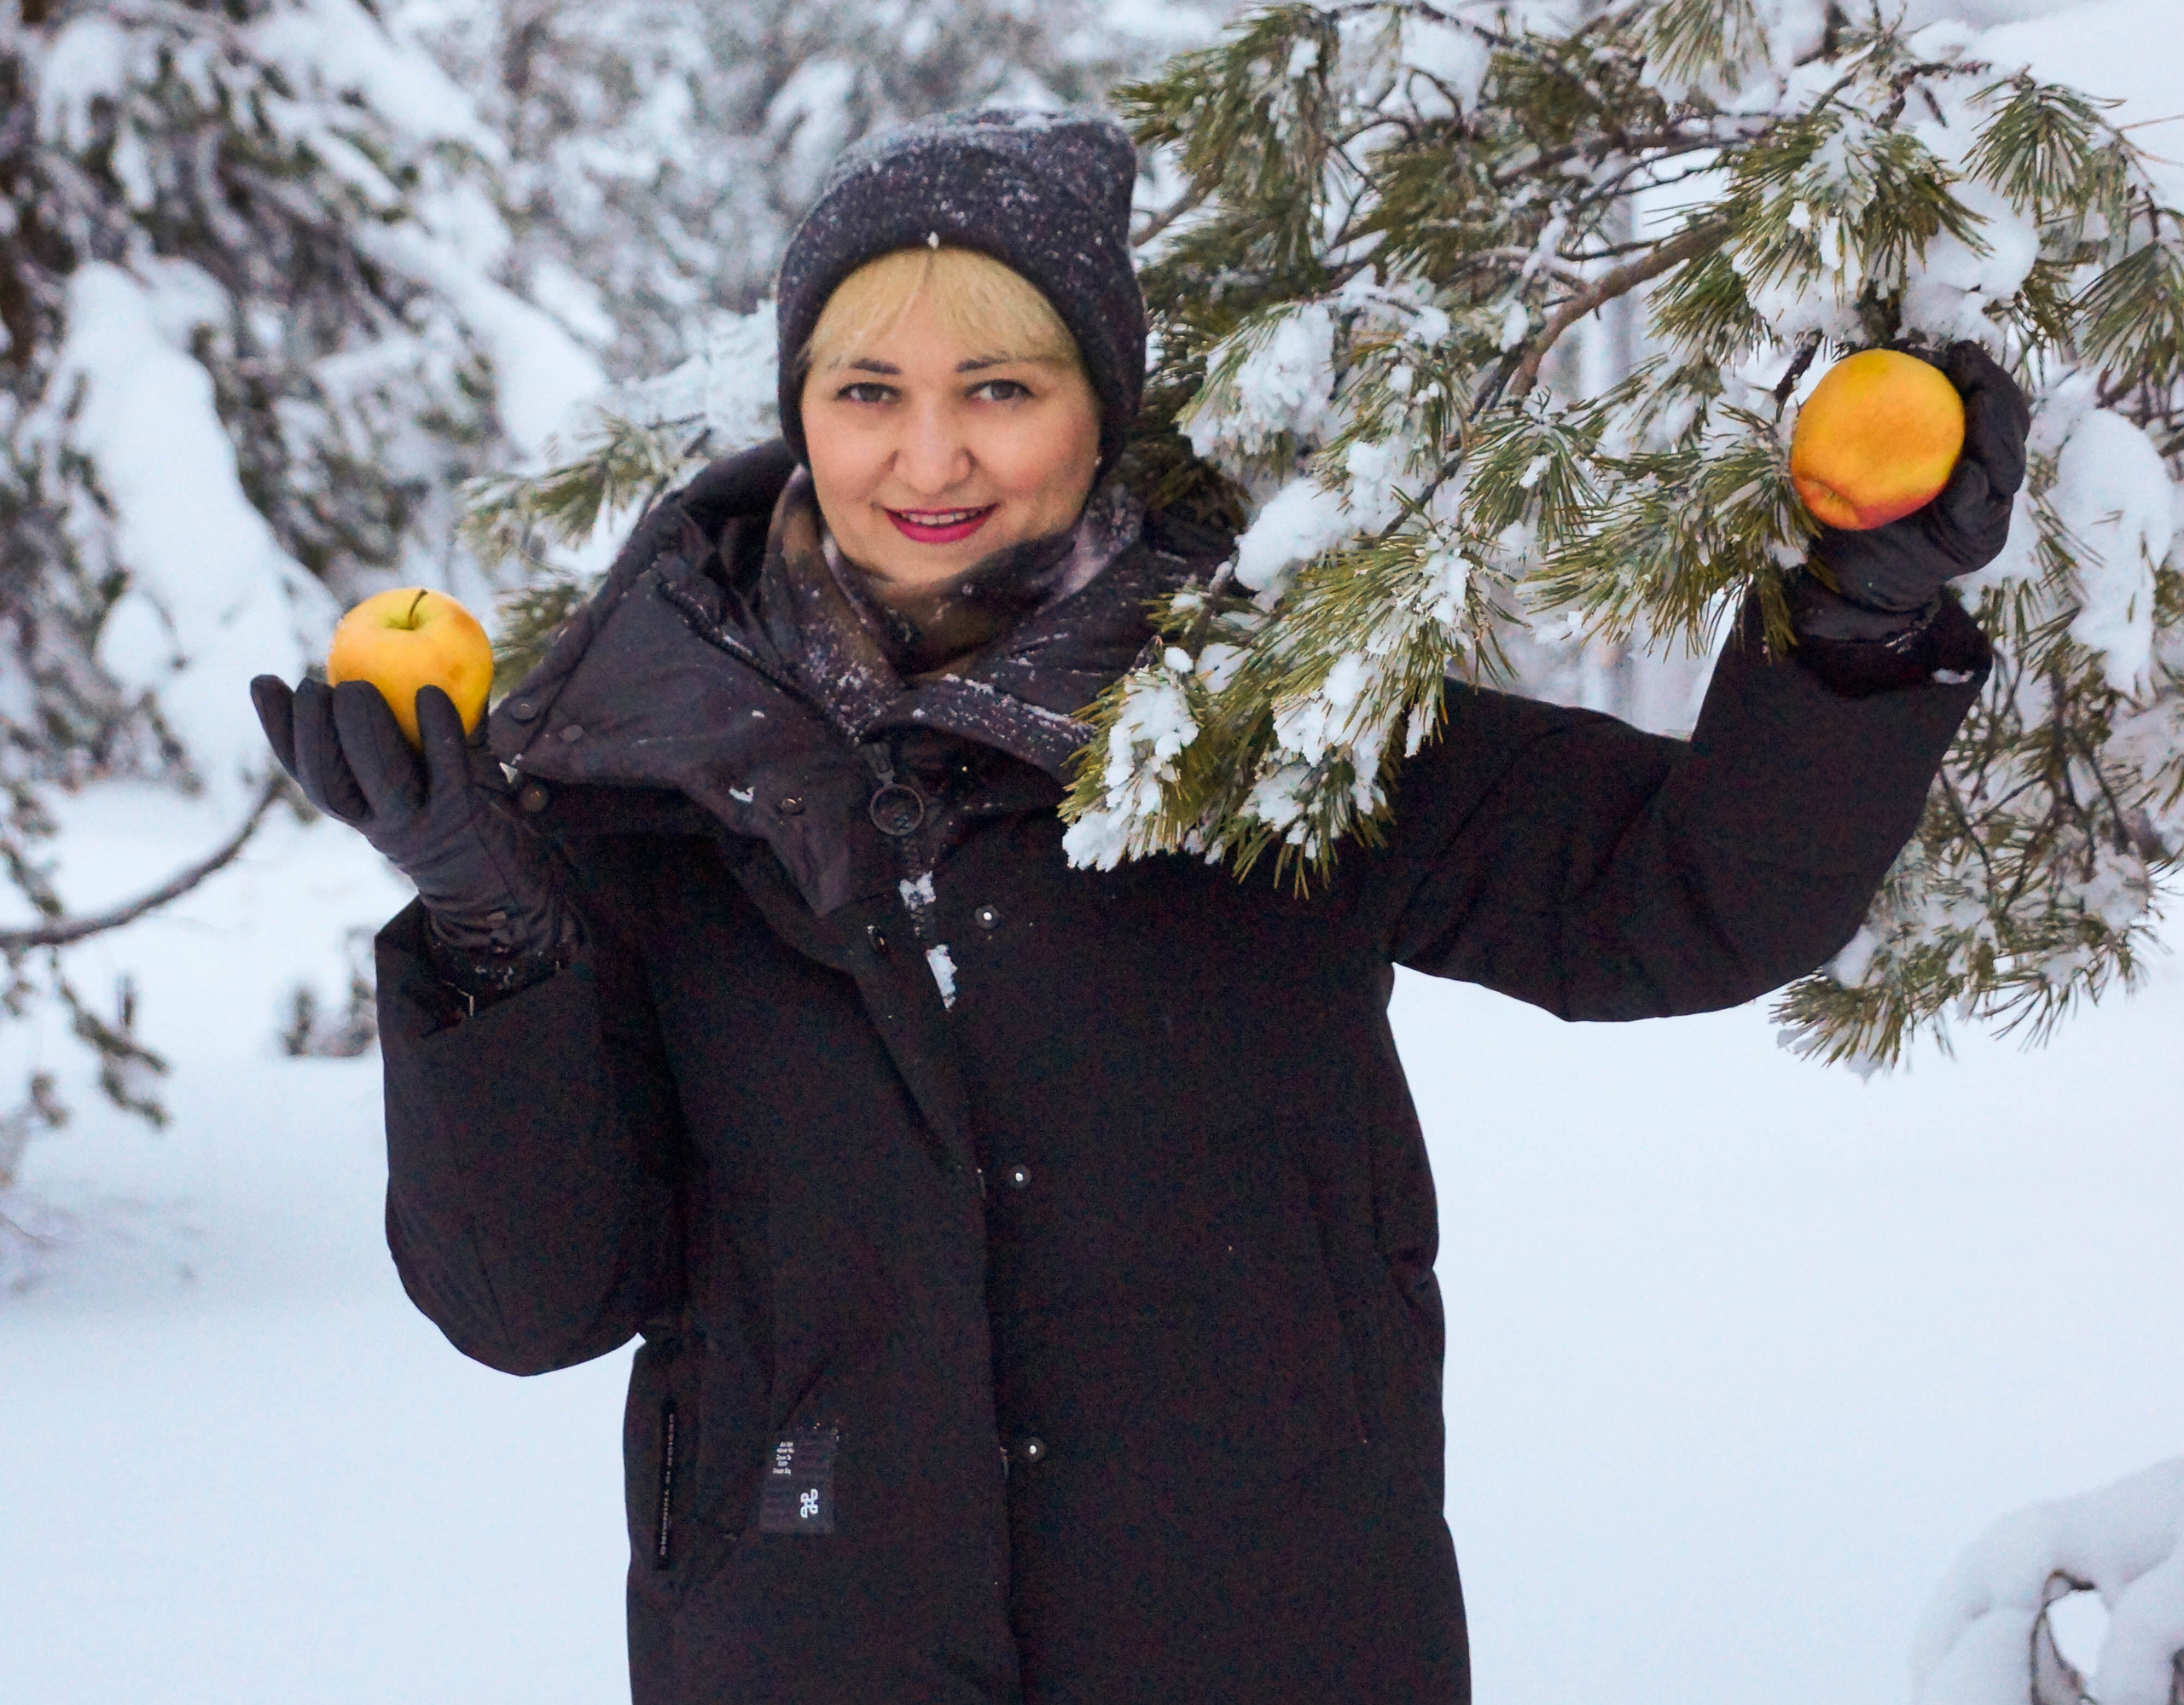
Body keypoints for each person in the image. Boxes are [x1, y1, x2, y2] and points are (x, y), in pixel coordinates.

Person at [251, 107, 2028, 1705]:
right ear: (799, 408)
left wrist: (1849, 626)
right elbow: (533, 1298)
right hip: (801, 1645)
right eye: (866, 388)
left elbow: (1676, 900)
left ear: (1101, 404)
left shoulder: (1268, 714)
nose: (926, 453)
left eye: (999, 389)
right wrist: (492, 917)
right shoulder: (645, 771)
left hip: (1272, 1627)